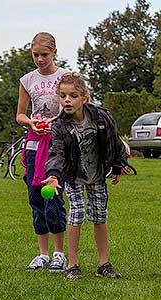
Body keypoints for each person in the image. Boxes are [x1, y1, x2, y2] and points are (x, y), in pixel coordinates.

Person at [42, 72, 126, 279]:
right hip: (74, 176)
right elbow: (57, 152)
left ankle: (103, 264)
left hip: (97, 174)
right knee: (76, 215)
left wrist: (117, 166)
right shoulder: (60, 125)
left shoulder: (101, 117)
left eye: (73, 95)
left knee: (99, 216)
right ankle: (72, 265)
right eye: (63, 96)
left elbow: (113, 142)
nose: (67, 100)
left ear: (84, 97)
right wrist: (53, 175)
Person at [16, 32, 68, 271]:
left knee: (53, 196)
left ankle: (59, 253)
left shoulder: (65, 77)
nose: (39, 59)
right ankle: (43, 254)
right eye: (35, 54)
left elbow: (75, 107)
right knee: (35, 198)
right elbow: (20, 115)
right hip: (33, 144)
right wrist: (31, 123)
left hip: (56, 145)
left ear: (54, 52)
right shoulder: (27, 80)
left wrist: (56, 121)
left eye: (44, 55)